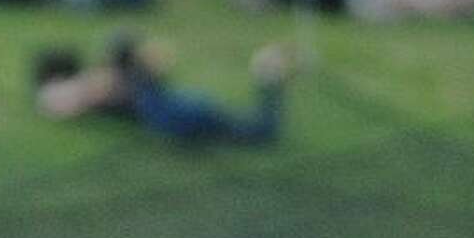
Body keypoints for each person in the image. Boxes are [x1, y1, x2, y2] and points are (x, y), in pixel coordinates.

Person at [34, 36, 289, 146]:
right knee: (254, 131)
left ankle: (268, 75)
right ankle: (268, 74)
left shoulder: (101, 78)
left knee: (254, 131)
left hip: (168, 108)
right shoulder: (96, 80)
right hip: (167, 109)